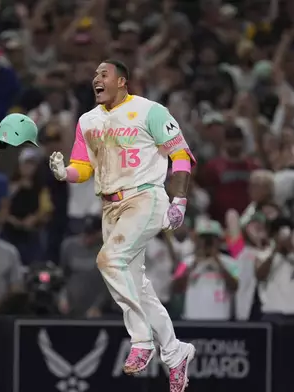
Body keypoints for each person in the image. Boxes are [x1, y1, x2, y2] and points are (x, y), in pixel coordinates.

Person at [46, 59, 196, 392]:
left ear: (123, 82)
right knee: (137, 287)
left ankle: (141, 340)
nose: (95, 78)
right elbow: (83, 168)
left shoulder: (150, 111)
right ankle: (175, 353)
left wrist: (180, 199)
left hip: (145, 197)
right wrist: (64, 173)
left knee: (108, 260)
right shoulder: (87, 121)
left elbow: (182, 155)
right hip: (109, 207)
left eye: (104, 74)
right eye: (94, 74)